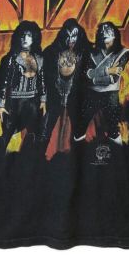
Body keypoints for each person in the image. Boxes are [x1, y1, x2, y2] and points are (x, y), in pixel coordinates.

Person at [73, 21, 129, 146]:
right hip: (92, 94)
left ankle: (118, 153)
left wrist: (94, 77)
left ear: (115, 34)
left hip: (111, 95)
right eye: (103, 30)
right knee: (80, 127)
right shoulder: (91, 52)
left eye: (109, 30)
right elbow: (86, 74)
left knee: (113, 129)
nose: (105, 31)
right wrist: (108, 71)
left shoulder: (123, 53)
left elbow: (113, 79)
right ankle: (78, 150)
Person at [0, 21, 47, 153]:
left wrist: (43, 100)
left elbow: (42, 80)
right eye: (22, 35)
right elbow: (2, 82)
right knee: (6, 134)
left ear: (34, 38)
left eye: (29, 35)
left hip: (33, 101)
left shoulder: (39, 58)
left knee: (35, 134)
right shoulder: (10, 58)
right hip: (13, 103)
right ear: (18, 37)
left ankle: (30, 160)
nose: (25, 38)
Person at [40, 18, 89, 158]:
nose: (71, 39)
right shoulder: (51, 52)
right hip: (54, 97)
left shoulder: (85, 53)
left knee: (78, 132)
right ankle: (38, 157)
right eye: (68, 35)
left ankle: (79, 159)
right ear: (62, 35)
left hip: (75, 98)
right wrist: (44, 97)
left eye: (74, 35)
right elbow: (43, 76)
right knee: (45, 130)